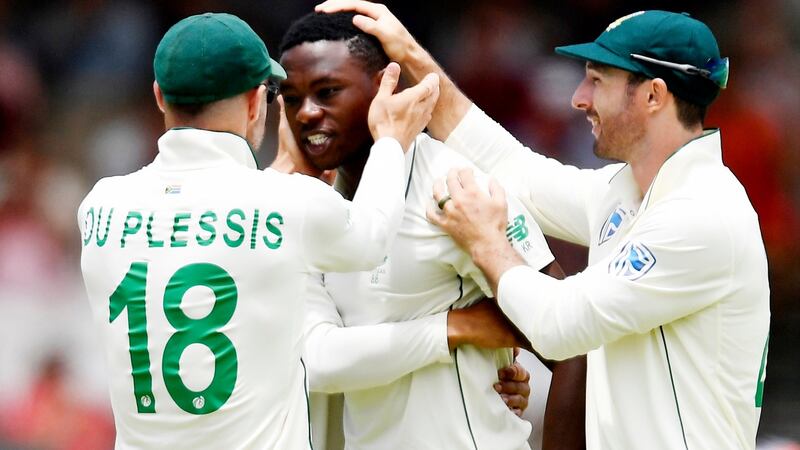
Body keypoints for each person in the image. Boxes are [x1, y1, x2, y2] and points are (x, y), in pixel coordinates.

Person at [316, 2, 771, 448]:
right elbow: (515, 169)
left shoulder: (700, 215)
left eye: (597, 81)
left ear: (653, 95)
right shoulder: (628, 190)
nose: (579, 99)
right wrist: (414, 57)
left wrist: (487, 242)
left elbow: (560, 325)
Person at [77, 12, 440, 449]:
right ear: (255, 101)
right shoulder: (289, 202)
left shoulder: (99, 206)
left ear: (158, 96)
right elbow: (372, 238)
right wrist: (389, 141)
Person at [272, 11, 585, 450]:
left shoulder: (456, 189)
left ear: (386, 87)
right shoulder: (314, 206)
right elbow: (320, 359)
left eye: (327, 92)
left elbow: (571, 341)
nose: (306, 112)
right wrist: (456, 328)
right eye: (290, 98)